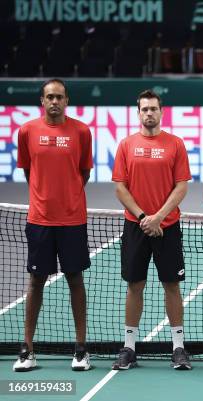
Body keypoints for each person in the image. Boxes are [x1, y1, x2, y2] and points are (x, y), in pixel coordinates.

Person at [14, 79, 93, 372]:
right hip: (40, 220)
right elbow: (27, 170)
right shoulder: (27, 131)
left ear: (67, 101)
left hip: (73, 220)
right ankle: (27, 349)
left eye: (59, 97)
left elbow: (83, 172)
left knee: (75, 281)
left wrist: (67, 196)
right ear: (42, 100)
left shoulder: (81, 132)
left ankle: (81, 348)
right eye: (50, 97)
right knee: (35, 282)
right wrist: (45, 199)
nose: (55, 101)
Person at [111, 90, 192, 370]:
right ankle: (129, 347)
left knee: (172, 285)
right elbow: (120, 187)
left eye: (153, 109)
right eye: (144, 109)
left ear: (161, 112)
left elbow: (181, 186)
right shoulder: (126, 145)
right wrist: (145, 217)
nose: (149, 113)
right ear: (138, 113)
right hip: (136, 226)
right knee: (135, 285)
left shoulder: (175, 144)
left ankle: (178, 347)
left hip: (167, 227)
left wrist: (159, 217)